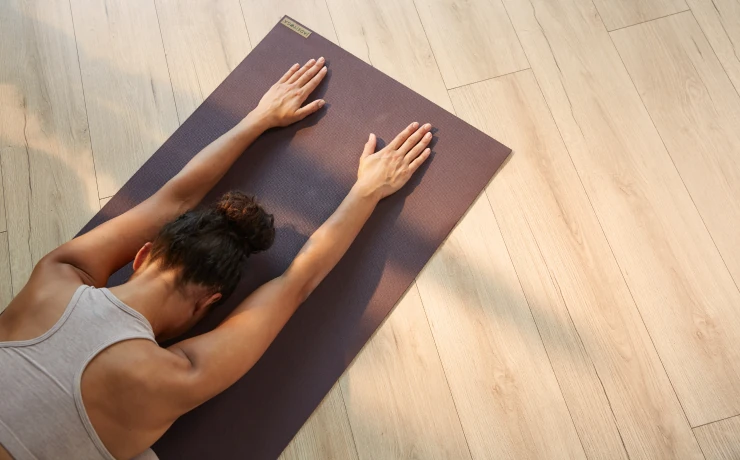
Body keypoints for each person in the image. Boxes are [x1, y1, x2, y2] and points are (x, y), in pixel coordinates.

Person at [0, 57, 433, 460]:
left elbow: (174, 198)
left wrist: (259, 117)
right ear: (209, 303)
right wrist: (366, 191)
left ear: (143, 254)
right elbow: (297, 282)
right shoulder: (176, 378)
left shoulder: (56, 277)